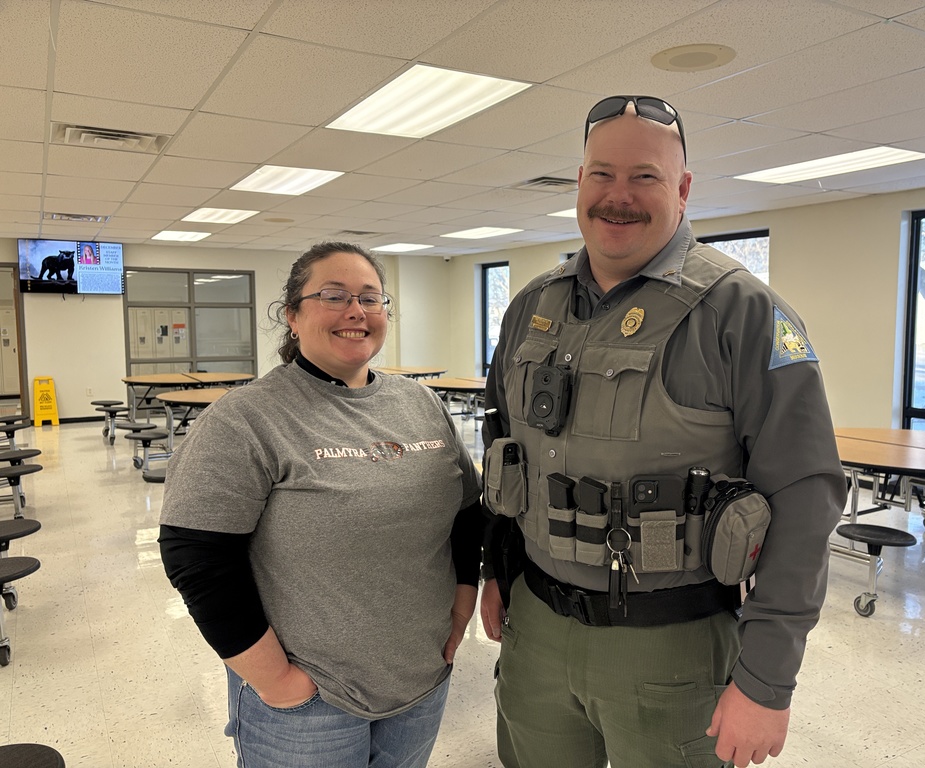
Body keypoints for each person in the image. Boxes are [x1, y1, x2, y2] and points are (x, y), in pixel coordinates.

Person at [479, 96, 847, 768]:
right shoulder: (530, 306)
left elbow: (805, 498)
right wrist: (498, 571)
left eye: (644, 176)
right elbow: (507, 448)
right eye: (602, 174)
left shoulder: (742, 312)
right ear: (580, 182)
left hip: (673, 646)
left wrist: (766, 681)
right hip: (536, 631)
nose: (618, 196)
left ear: (682, 189)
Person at [159, 242, 484, 768]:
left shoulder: (422, 404)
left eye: (370, 298)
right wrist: (276, 680)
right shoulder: (247, 418)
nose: (356, 311)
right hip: (310, 703)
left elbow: (466, 513)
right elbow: (196, 554)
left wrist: (463, 602)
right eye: (334, 296)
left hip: (422, 680)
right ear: (292, 315)